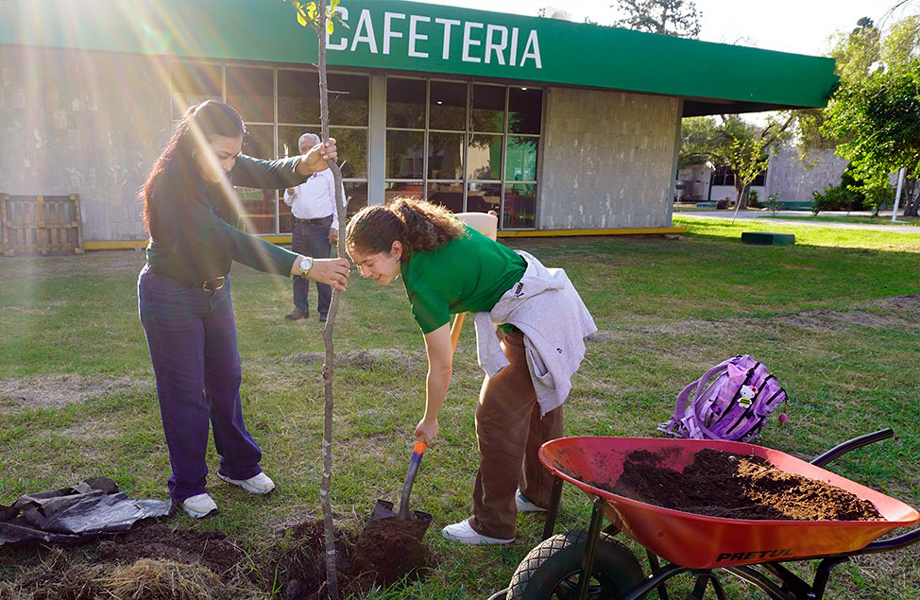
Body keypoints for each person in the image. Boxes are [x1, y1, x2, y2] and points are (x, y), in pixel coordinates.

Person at [137, 100, 350, 518]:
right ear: (194, 143)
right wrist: (307, 266)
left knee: (227, 377)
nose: (230, 164)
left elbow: (267, 171)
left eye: (234, 154)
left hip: (215, 291)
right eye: (222, 155)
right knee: (185, 393)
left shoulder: (224, 162)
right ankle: (188, 485)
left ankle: (238, 466)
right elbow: (231, 240)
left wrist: (305, 165)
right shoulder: (171, 186)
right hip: (170, 296)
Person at [345, 199, 596, 545]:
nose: (367, 274)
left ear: (397, 248)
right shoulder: (433, 230)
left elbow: (442, 365)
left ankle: (492, 525)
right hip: (546, 296)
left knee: (495, 415)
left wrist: (430, 418)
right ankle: (540, 495)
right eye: (360, 266)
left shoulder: (423, 285)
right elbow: (481, 226)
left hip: (536, 315)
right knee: (538, 401)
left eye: (369, 263)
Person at [283, 132, 344, 323]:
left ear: (318, 148)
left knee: (323, 270)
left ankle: (324, 311)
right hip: (299, 227)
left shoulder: (328, 171)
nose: (307, 151)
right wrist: (290, 192)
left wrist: (334, 226)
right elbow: (288, 201)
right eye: (303, 148)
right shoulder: (296, 171)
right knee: (298, 269)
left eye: (311, 147)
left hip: (320, 227)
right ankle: (300, 309)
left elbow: (339, 201)